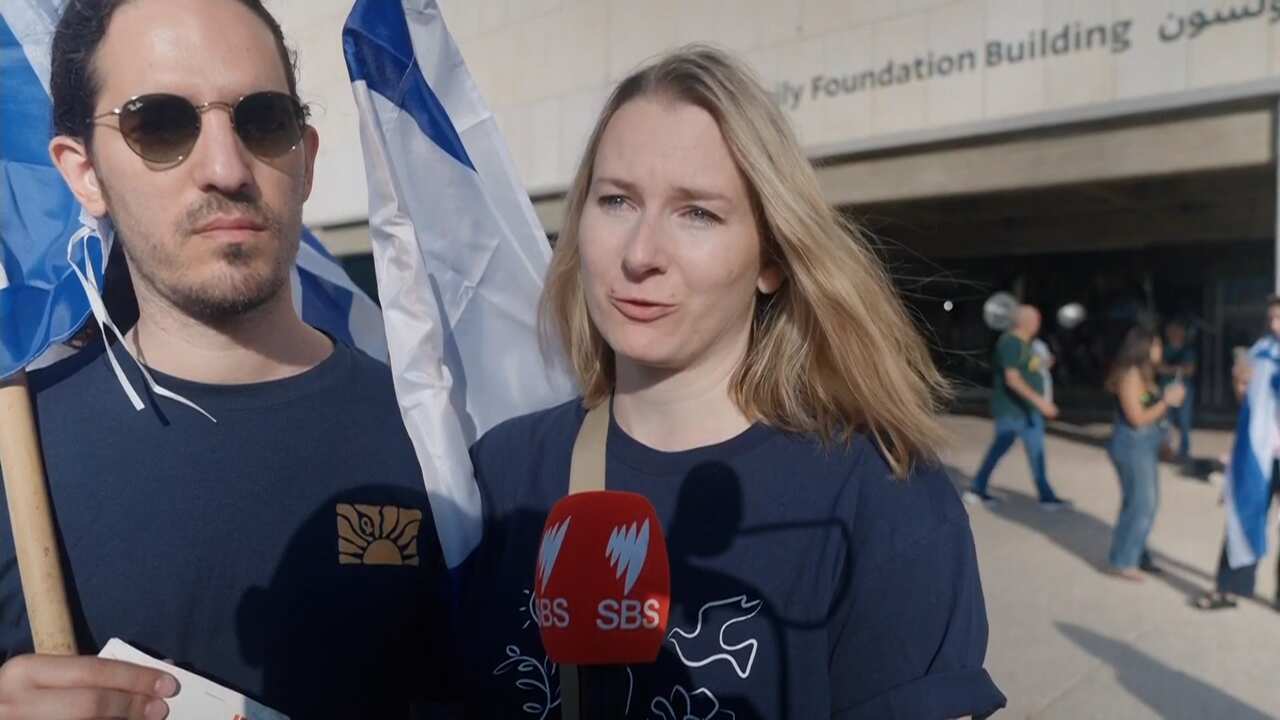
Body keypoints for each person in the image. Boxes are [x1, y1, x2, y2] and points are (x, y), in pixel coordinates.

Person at [449, 46, 1005, 718]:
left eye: (698, 213)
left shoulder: (883, 499)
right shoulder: (503, 473)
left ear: (771, 256)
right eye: (617, 200)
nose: (640, 255)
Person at [0, 1, 452, 717]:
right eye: (160, 124)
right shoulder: (10, 448)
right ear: (83, 174)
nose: (225, 168)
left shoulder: (443, 436)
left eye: (263, 120)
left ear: (303, 157)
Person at [1194, 297, 1280, 611]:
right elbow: (1247, 402)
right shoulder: (1260, 352)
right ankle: (1229, 588)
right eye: (1271, 318)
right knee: (1244, 517)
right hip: (1261, 453)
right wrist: (1240, 382)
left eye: (1279, 319)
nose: (1274, 325)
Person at [964, 305, 1069, 509]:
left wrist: (1042, 365)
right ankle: (976, 489)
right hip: (1013, 410)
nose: (1039, 324)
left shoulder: (1024, 344)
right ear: (1026, 322)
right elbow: (1012, 379)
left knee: (1035, 452)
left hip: (1027, 410)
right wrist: (1041, 402)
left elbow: (1025, 367)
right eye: (1037, 319)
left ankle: (1046, 496)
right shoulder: (1010, 343)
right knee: (1001, 449)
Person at [1103, 326, 1185, 581]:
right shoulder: (1130, 375)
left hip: (1145, 444)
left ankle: (1132, 555)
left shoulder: (1146, 374)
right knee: (1143, 504)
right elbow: (1137, 418)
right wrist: (1166, 402)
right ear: (1144, 347)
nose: (1160, 350)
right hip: (1131, 445)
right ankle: (1125, 561)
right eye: (1157, 345)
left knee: (1137, 503)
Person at [1157, 319, 1197, 463]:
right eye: (1170, 330)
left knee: (1184, 421)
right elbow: (1159, 368)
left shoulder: (1188, 350)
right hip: (1166, 389)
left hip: (1184, 389)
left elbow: (1190, 370)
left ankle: (1184, 451)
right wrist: (1178, 369)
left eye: (1176, 330)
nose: (1173, 333)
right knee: (1164, 421)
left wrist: (1169, 369)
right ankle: (1165, 450)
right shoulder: (1163, 348)